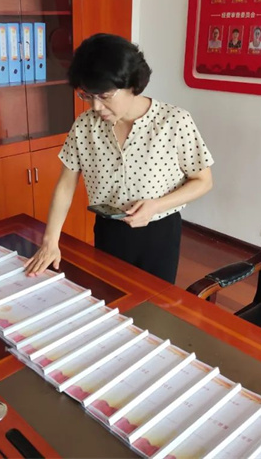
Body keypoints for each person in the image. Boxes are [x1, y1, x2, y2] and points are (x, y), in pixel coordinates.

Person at [24, 34, 214, 284]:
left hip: (159, 231)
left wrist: (156, 206)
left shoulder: (174, 122)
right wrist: (50, 241)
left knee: (154, 300)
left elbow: (203, 181)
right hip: (108, 229)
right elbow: (66, 185)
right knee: (110, 293)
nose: (95, 107)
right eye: (87, 95)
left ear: (132, 84)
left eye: (104, 96)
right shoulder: (85, 126)